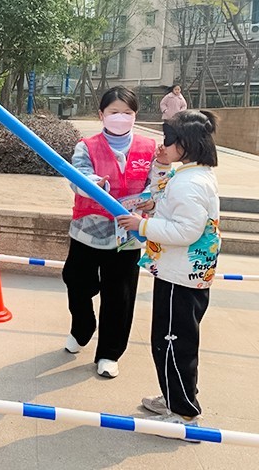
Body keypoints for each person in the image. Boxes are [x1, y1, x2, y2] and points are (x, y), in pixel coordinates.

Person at [117, 110, 220, 434]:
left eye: (169, 140)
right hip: (181, 274)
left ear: (185, 144)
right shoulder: (192, 174)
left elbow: (186, 230)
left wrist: (142, 225)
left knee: (174, 343)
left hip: (181, 278)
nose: (163, 145)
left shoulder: (190, 183)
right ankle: (175, 398)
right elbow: (172, 206)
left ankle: (185, 414)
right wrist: (153, 205)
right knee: (171, 341)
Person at [62, 86, 155, 379]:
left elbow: (158, 183)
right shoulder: (86, 146)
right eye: (114, 112)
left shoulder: (150, 148)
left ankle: (109, 353)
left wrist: (152, 200)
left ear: (135, 115)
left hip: (128, 236)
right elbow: (77, 177)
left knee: (120, 296)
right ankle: (82, 328)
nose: (121, 117)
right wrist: (93, 184)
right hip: (88, 231)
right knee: (76, 283)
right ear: (101, 114)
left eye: (127, 112)